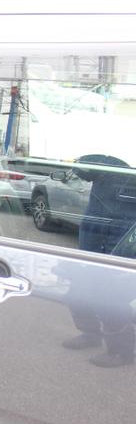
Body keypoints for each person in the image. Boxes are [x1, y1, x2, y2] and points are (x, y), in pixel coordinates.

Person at [62, 154, 136, 368]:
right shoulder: (105, 169)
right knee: (77, 292)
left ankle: (121, 351)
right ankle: (90, 334)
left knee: (110, 299)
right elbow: (81, 167)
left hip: (122, 242)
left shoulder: (121, 171)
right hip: (93, 239)